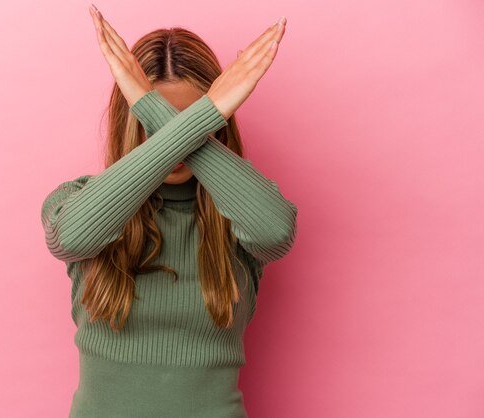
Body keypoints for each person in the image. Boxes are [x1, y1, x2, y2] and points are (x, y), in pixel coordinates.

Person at [40, 4, 298, 417]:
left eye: (192, 120)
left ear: (220, 124)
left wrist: (165, 110)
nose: (175, 142)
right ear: (130, 118)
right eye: (153, 119)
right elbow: (70, 236)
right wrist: (203, 114)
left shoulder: (237, 212)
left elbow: (276, 233)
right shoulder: (81, 199)